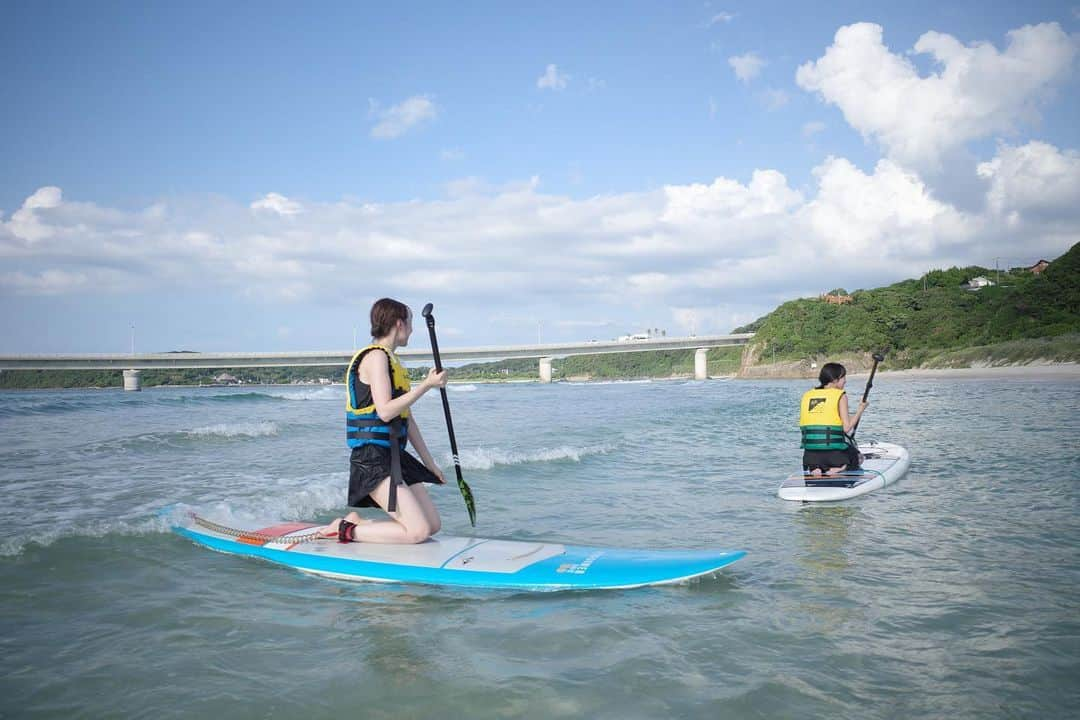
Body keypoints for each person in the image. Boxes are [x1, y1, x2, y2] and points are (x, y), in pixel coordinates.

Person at [320, 298, 448, 543]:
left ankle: (358, 523)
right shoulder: (376, 357)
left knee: (432, 525)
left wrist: (429, 464)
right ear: (399, 324)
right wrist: (426, 386)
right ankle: (345, 530)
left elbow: (406, 419)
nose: (411, 330)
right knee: (417, 532)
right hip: (372, 458)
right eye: (410, 323)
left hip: (395, 457)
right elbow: (386, 412)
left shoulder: (392, 361)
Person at [799, 362, 867, 476]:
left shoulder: (807, 395)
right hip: (834, 456)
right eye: (843, 377)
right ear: (835, 380)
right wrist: (860, 410)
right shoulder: (840, 395)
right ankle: (840, 468)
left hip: (809, 456)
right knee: (859, 458)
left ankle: (815, 468)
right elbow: (846, 428)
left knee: (817, 456)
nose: (845, 381)